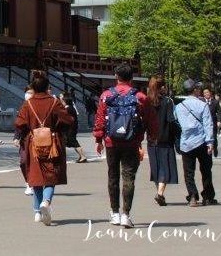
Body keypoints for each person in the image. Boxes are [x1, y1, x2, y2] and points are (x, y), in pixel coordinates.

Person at [93, 64, 154, 228]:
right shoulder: (140, 97)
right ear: (132, 78)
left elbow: (100, 118)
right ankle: (126, 214)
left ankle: (114, 213)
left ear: (116, 76)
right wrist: (144, 138)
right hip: (131, 141)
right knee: (129, 177)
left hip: (111, 141)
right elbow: (148, 120)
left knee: (113, 176)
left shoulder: (106, 95)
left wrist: (98, 140)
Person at [14, 69, 72, 225]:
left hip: (33, 143)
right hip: (52, 142)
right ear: (47, 87)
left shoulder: (28, 104)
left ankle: (37, 212)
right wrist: (56, 128)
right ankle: (46, 202)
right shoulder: (54, 102)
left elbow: (19, 123)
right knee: (51, 175)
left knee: (36, 177)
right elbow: (68, 120)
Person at [175, 80, 216, 207]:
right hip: (202, 141)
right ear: (195, 90)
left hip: (186, 142)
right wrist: (210, 142)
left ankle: (192, 196)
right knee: (206, 170)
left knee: (188, 172)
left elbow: (176, 123)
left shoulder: (178, 107)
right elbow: (208, 124)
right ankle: (207, 197)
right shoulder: (202, 105)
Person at [144, 76, 179, 206]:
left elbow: (144, 120)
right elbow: (171, 120)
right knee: (165, 166)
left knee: (155, 167)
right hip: (165, 138)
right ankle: (160, 193)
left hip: (151, 139)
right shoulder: (167, 101)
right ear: (161, 87)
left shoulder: (147, 101)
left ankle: (159, 192)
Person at [59, 91, 88, 163]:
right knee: (72, 142)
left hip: (71, 128)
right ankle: (81, 156)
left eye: (63, 100)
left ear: (66, 101)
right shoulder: (69, 107)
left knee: (74, 142)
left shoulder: (68, 108)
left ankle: (83, 156)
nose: (62, 101)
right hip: (71, 128)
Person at [202, 87, 221, 157]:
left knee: (214, 137)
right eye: (205, 93)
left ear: (210, 93)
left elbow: (219, 112)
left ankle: (215, 148)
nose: (206, 94)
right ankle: (207, 151)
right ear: (203, 94)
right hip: (204, 123)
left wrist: (219, 121)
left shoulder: (215, 102)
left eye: (207, 92)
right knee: (205, 138)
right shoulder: (201, 102)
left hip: (213, 123)